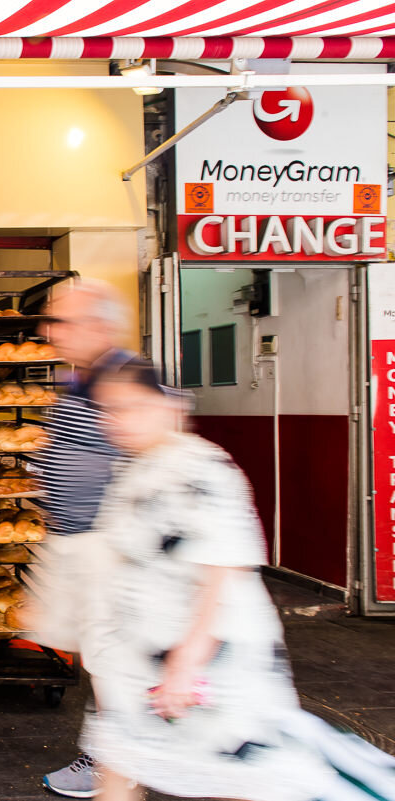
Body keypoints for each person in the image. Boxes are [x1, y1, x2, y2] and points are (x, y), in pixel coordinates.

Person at [81, 365, 395, 801]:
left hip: (211, 657)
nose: (117, 419)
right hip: (140, 655)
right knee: (122, 759)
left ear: (171, 407)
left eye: (132, 407)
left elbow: (224, 572)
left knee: (232, 774)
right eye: (109, 410)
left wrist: (188, 662)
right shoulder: (133, 467)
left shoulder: (204, 467)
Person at [33, 280, 140, 798]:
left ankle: (112, 767)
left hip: (110, 546)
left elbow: (154, 455)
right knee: (104, 661)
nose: (48, 331)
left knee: (112, 662)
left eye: (62, 322)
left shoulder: (126, 378)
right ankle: (116, 761)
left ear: (99, 326)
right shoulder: (83, 378)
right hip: (80, 540)